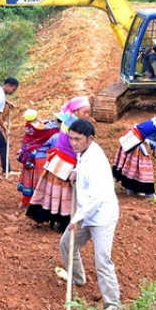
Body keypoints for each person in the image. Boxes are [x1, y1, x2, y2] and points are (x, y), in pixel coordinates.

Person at [58, 119, 120, 310]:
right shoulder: (84, 152)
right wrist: (76, 170)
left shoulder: (96, 162)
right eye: (71, 139)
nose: (73, 143)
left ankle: (112, 305)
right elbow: (80, 161)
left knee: (102, 260)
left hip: (101, 215)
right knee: (66, 244)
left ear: (90, 139)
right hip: (86, 211)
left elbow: (96, 197)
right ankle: (77, 277)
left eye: (78, 139)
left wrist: (76, 219)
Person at [27, 96, 91, 231]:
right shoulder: (76, 126)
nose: (88, 116)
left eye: (89, 112)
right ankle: (64, 223)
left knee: (54, 192)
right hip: (68, 164)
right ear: (76, 111)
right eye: (85, 112)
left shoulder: (68, 119)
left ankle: (52, 218)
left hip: (58, 162)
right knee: (66, 195)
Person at [112, 109, 156, 199]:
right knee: (145, 169)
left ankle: (132, 190)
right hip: (137, 144)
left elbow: (149, 135)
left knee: (133, 168)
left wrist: (153, 150)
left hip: (132, 140)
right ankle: (149, 194)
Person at [16, 110, 60, 208]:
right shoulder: (54, 134)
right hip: (40, 160)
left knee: (29, 181)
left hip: (28, 157)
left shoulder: (31, 128)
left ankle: (24, 202)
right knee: (39, 183)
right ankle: (36, 206)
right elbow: (53, 150)